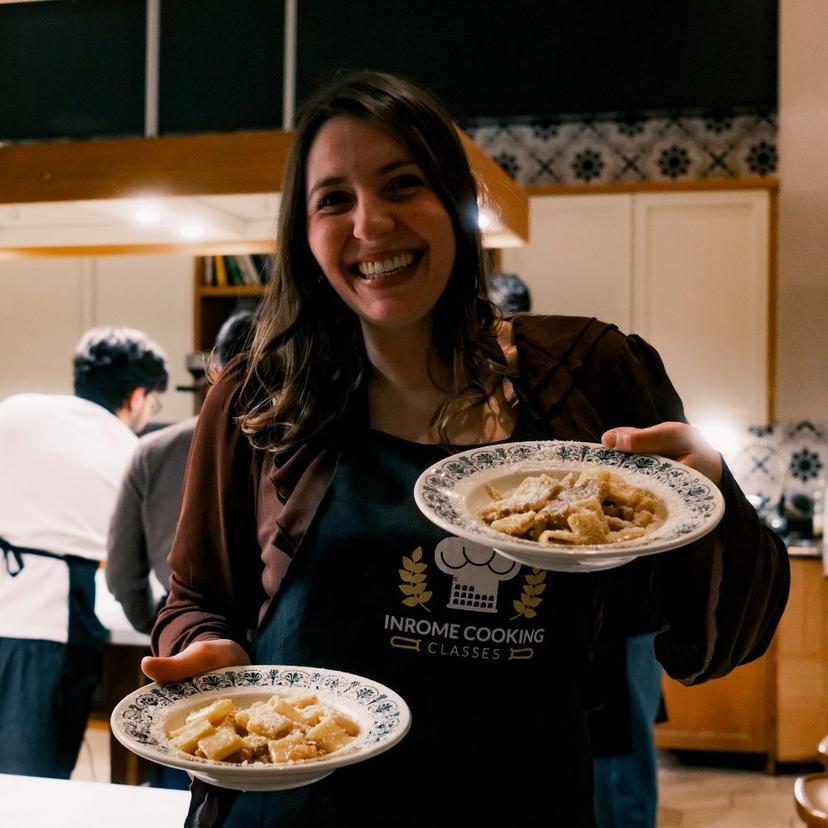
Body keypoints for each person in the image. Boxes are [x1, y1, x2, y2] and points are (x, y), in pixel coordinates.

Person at [142, 71, 789, 827]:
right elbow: (196, 602)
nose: (370, 224)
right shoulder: (263, 401)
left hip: (521, 801)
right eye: (333, 200)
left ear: (456, 201)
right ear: (303, 233)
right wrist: (208, 651)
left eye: (402, 183)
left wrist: (706, 491)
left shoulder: (589, 376)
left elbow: (722, 640)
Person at [487, 269, 663, 825]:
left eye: (501, 330)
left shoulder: (581, 378)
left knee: (621, 753)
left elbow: (645, 491)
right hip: (551, 619)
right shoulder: (476, 408)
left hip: (623, 610)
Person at [0, 326, 168, 779]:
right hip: (47, 625)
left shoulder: (15, 410)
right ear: (137, 397)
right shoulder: (132, 451)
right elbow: (140, 568)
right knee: (30, 783)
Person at [106, 309, 257, 635]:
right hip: (277, 637)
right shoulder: (307, 446)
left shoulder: (153, 451)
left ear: (216, 372)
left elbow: (121, 574)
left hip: (191, 632)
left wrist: (162, 626)